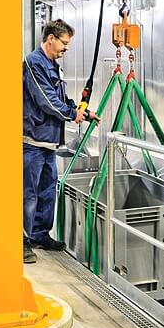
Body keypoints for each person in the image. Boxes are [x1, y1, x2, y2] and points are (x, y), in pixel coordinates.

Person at [23, 19, 99, 263]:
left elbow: (61, 98)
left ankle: (39, 234)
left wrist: (83, 112)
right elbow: (46, 100)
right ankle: (21, 240)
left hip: (49, 141)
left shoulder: (53, 66)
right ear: (50, 38)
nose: (66, 48)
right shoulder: (33, 63)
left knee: (47, 191)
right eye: (64, 43)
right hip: (33, 139)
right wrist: (70, 114)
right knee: (28, 194)